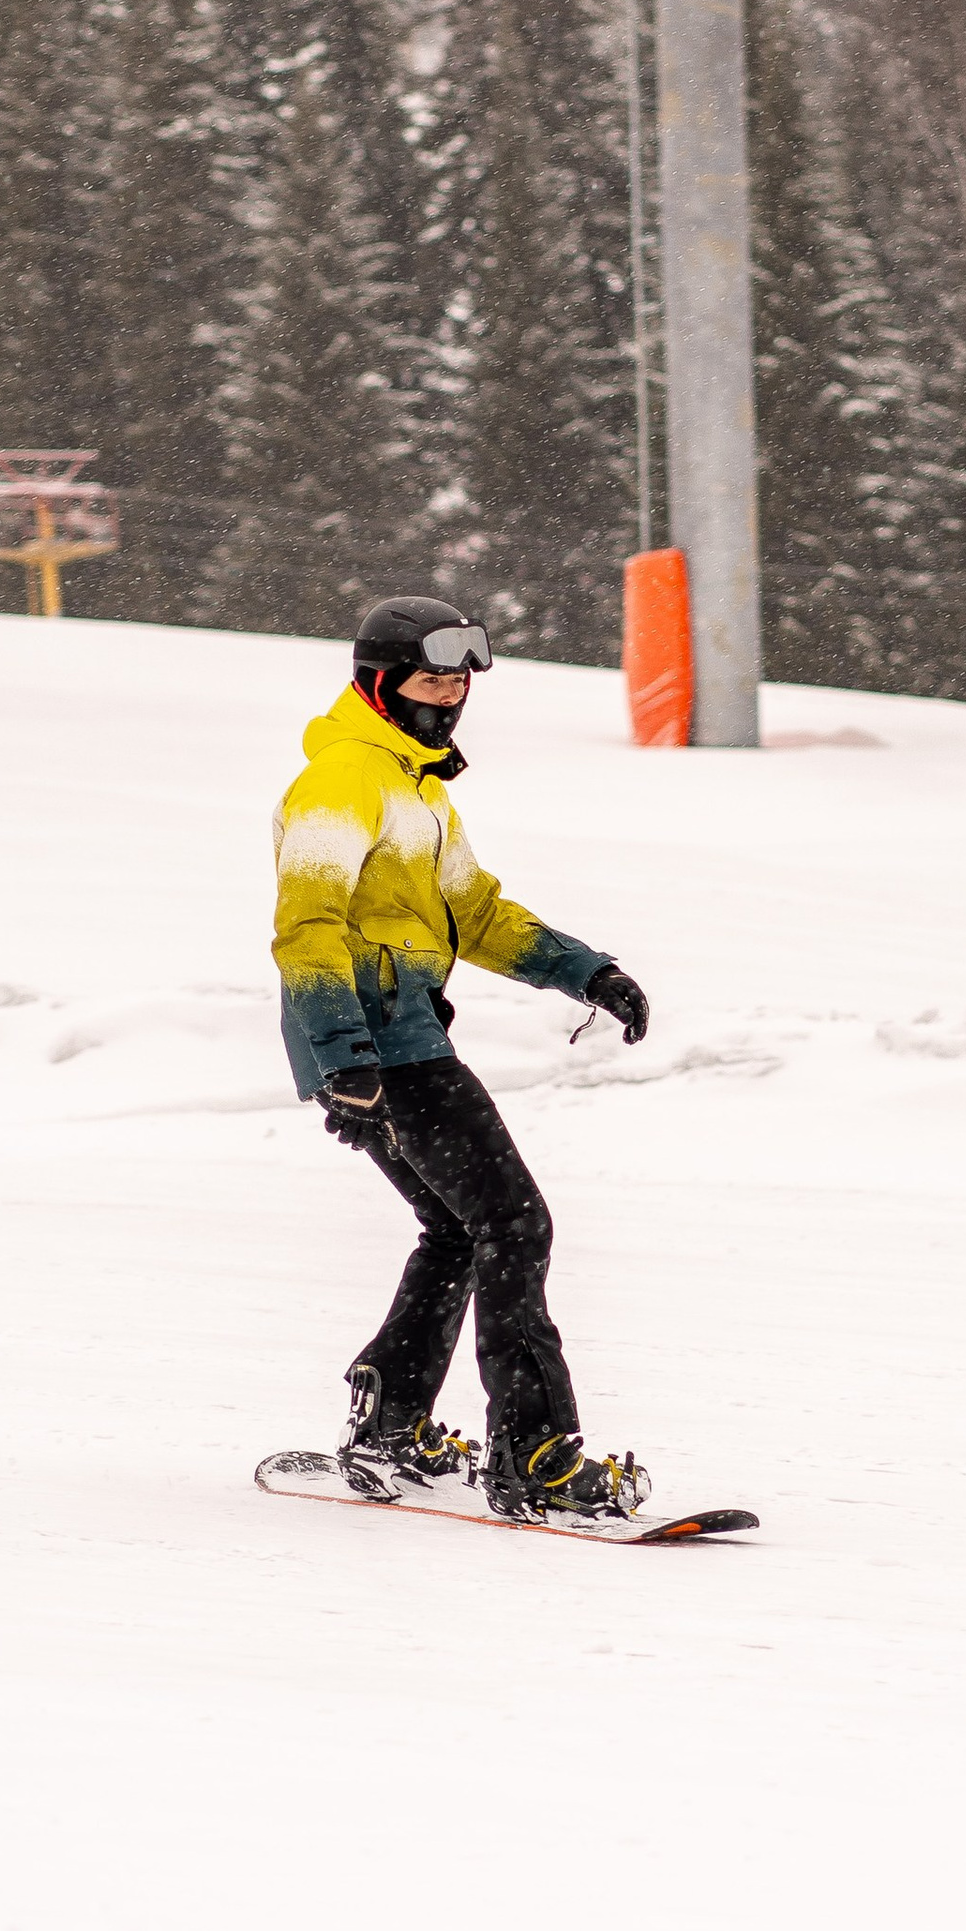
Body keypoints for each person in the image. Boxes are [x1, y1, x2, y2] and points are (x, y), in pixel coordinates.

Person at [271, 595, 653, 1521]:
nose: (447, 696)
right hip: (379, 1043)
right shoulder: (342, 785)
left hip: (394, 1038)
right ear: (378, 681)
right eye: (430, 678)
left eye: (457, 682)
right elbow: (306, 927)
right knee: (514, 1225)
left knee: (459, 1230)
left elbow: (473, 914)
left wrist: (585, 970)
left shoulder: (417, 791)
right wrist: (345, 1055)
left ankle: (392, 1421)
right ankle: (536, 1456)